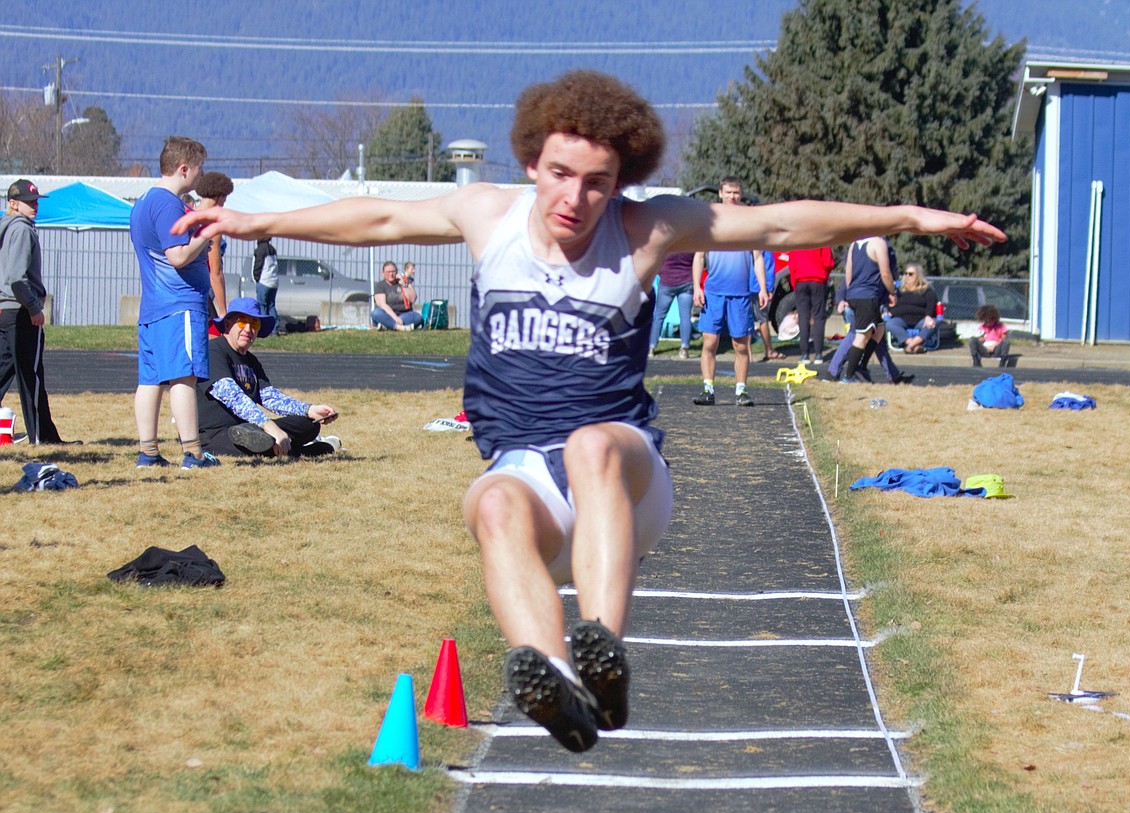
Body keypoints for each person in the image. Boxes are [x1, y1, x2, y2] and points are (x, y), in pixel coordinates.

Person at [172, 69, 1004, 753]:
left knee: (590, 446)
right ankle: (556, 682)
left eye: (597, 183)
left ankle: (603, 649)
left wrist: (909, 218)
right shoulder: (487, 215)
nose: (575, 198)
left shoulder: (645, 231)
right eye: (561, 175)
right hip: (527, 472)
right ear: (534, 162)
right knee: (493, 501)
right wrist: (251, 219)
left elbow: (779, 222)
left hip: (625, 475)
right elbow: (378, 217)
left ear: (622, 182)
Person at [128, 135, 220, 469]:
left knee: (150, 379)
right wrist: (206, 234)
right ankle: (193, 453)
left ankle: (148, 451)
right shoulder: (167, 203)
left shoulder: (142, 202)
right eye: (199, 168)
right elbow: (178, 256)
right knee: (184, 376)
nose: (200, 175)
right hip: (178, 304)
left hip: (153, 307)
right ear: (183, 169)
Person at [197, 297, 341, 458]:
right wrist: (269, 426)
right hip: (214, 434)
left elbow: (270, 397)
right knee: (257, 437)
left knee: (309, 425)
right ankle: (300, 450)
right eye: (243, 322)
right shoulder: (213, 351)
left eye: (255, 324)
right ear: (228, 324)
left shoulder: (251, 361)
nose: (248, 329)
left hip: (250, 429)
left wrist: (309, 410)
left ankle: (271, 443)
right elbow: (233, 398)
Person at [0, 179, 72, 444]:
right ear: (13, 203)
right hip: (19, 310)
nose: (35, 206)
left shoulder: (5, 228)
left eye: (36, 200)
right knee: (31, 376)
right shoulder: (21, 230)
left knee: (4, 369)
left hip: (4, 311)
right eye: (29, 202)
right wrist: (33, 308)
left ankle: (45, 435)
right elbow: (17, 279)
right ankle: (41, 438)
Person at [693, 176, 770, 407]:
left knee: (741, 345)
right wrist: (697, 286)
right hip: (714, 293)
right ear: (720, 193)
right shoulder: (710, 222)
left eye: (736, 193)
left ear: (741, 194)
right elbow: (699, 256)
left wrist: (763, 288)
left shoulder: (749, 222)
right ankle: (708, 389)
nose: (732, 197)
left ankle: (741, 391)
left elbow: (757, 258)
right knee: (709, 343)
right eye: (728, 192)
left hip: (741, 294)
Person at [838, 235, 897, 382]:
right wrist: (892, 292)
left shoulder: (854, 243)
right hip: (867, 295)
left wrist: (850, 292)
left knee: (879, 330)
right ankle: (849, 376)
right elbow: (885, 272)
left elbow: (848, 272)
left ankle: (862, 365)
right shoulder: (878, 243)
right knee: (862, 336)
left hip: (856, 294)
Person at [194, 171, 235, 320]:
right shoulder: (212, 224)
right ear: (219, 197)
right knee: (212, 337)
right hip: (203, 289)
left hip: (183, 288)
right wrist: (223, 311)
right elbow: (215, 271)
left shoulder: (188, 213)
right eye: (224, 200)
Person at [786, 244, 835, 363]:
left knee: (803, 317)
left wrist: (794, 283)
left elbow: (791, 265)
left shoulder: (797, 241)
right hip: (818, 279)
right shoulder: (821, 240)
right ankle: (818, 354)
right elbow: (829, 262)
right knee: (819, 316)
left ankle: (804, 354)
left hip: (801, 280)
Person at [647, 251, 695, 358]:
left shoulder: (669, 244)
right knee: (685, 317)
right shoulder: (690, 243)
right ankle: (684, 348)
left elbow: (657, 260)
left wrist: (661, 272)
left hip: (667, 281)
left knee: (659, 316)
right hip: (687, 281)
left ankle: (651, 347)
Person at [886, 263, 940, 353]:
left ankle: (910, 346)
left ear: (918, 275)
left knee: (933, 323)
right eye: (906, 273)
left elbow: (931, 306)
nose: (907, 276)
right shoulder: (899, 290)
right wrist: (889, 311)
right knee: (890, 324)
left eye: (910, 274)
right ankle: (914, 345)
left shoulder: (927, 290)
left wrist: (928, 316)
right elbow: (894, 305)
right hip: (902, 319)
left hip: (921, 319)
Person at [370, 260, 422, 330]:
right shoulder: (380, 286)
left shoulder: (405, 282)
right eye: (388, 272)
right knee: (375, 313)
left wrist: (403, 285)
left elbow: (412, 299)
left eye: (393, 271)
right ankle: (399, 327)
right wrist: (395, 318)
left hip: (404, 314)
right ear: (383, 273)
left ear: (397, 272)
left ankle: (388, 326)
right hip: (388, 314)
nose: (391, 274)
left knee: (417, 317)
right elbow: (382, 304)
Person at [252, 236, 279, 321]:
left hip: (263, 281)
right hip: (274, 281)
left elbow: (258, 265)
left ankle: (264, 326)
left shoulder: (260, 249)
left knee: (262, 305)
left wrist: (256, 278)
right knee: (271, 306)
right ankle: (274, 329)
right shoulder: (272, 249)